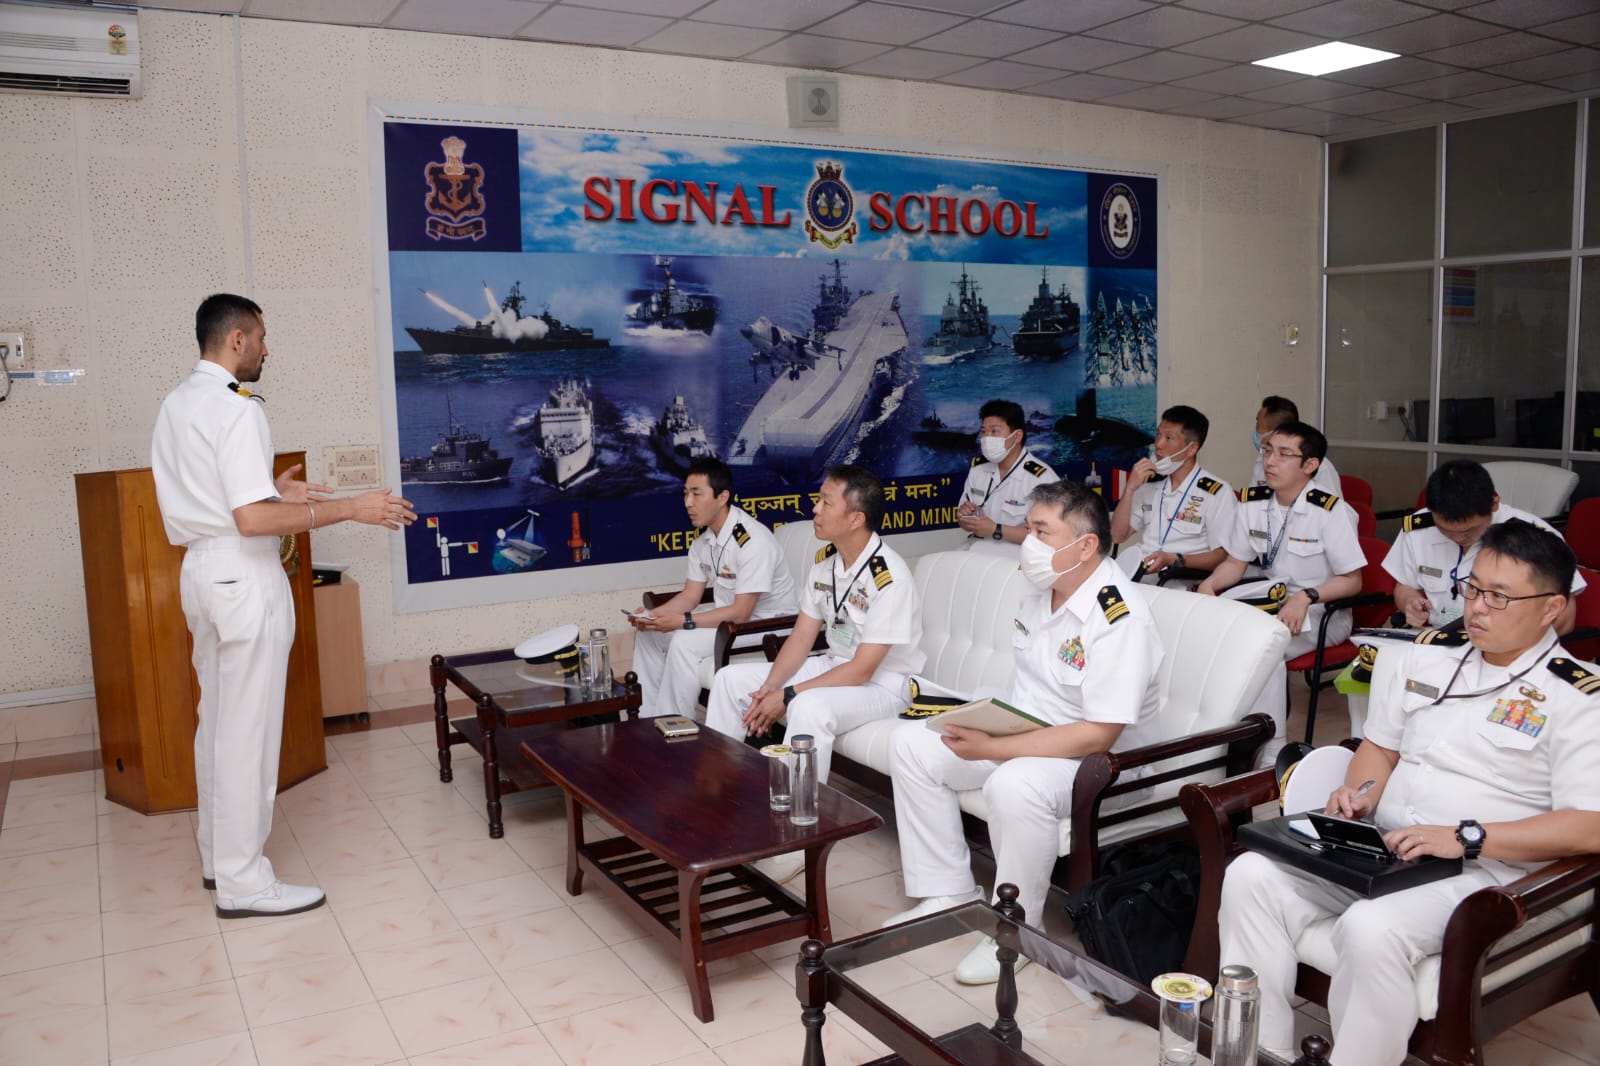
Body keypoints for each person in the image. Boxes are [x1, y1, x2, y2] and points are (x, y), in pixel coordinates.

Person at [1217, 521, 1600, 1066]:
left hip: (1491, 873)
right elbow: (1381, 748)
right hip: (1387, 849)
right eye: (1472, 588)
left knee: (1371, 928)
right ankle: (1263, 1050)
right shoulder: (1429, 656)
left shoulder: (1577, 697)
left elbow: (1591, 825)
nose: (1477, 609)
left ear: (1550, 607)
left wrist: (1466, 838)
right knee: (1250, 875)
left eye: (1500, 596)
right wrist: (1360, 793)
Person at [151, 294, 415, 918]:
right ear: (237, 340)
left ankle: (220, 859)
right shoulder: (240, 412)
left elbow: (223, 500)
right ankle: (246, 883)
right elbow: (251, 520)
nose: (268, 349)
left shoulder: (178, 403)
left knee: (217, 724)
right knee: (248, 734)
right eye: (262, 337)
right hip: (244, 579)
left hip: (202, 575)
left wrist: (276, 491)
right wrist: (351, 507)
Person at [883, 481, 1163, 985]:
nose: (1027, 542)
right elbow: (1034, 695)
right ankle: (947, 888)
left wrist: (995, 749)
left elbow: (1097, 734)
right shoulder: (1039, 590)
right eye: (1028, 528)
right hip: (1031, 734)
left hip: (1100, 766)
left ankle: (1016, 929)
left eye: (1041, 531)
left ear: (1085, 546)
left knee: (1014, 784)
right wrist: (986, 726)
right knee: (912, 743)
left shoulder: (1119, 617)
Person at [705, 465, 924, 882]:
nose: (816, 509)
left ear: (855, 518)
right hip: (833, 666)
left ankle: (797, 834)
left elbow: (862, 668)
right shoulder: (827, 564)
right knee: (732, 680)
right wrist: (769, 686)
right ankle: (718, 798)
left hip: (885, 684)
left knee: (807, 708)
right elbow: (802, 639)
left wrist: (786, 696)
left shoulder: (889, 576)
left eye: (826, 502)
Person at [1198, 422, 1365, 750]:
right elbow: (1235, 563)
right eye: (1268, 451)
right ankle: (1222, 734)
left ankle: (1271, 748)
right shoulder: (1253, 505)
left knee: (1263, 648)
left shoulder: (1332, 512)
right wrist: (1208, 586)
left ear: (1310, 465)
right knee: (1219, 639)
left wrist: (1307, 596)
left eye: (1284, 455)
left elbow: (1352, 581)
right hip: (1270, 603)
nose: (1270, 462)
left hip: (1321, 611)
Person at [628, 458, 797, 718]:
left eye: (697, 494)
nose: (688, 502)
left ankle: (674, 723)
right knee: (649, 634)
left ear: (722, 497)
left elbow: (741, 613)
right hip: (728, 625)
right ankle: (647, 717)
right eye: (685, 493)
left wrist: (681, 622)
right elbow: (690, 596)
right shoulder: (703, 542)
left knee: (684, 641)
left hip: (767, 627)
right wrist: (655, 616)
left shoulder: (753, 541)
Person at [1386, 459, 1583, 633]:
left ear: (1494, 503)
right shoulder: (1418, 528)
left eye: (1469, 530)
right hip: (1439, 640)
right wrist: (1409, 603)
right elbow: (1405, 585)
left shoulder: (1535, 537)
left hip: (1506, 648)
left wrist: (1506, 642)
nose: (1458, 538)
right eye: (1445, 529)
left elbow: (1564, 619)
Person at [1110, 404, 1236, 583]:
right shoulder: (1148, 485)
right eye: (1158, 435)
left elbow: (1221, 555)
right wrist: (1130, 489)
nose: (1159, 445)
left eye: (1169, 438)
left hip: (1179, 583)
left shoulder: (1216, 492)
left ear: (1191, 449)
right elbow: (1117, 535)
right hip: (1139, 580)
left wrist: (1175, 559)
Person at [956, 399, 1058, 551]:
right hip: (978, 549)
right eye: (984, 432)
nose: (986, 438)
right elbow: (965, 518)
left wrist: (996, 530)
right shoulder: (978, 470)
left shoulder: (1042, 479)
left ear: (1017, 436)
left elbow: (1049, 535)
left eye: (994, 431)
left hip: (1019, 558)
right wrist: (965, 517)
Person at [1250, 396, 1341, 494]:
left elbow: (1331, 507)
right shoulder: (1262, 459)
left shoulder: (1318, 466)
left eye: (1258, 425)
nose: (1255, 430)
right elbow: (1252, 502)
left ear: (1277, 432)